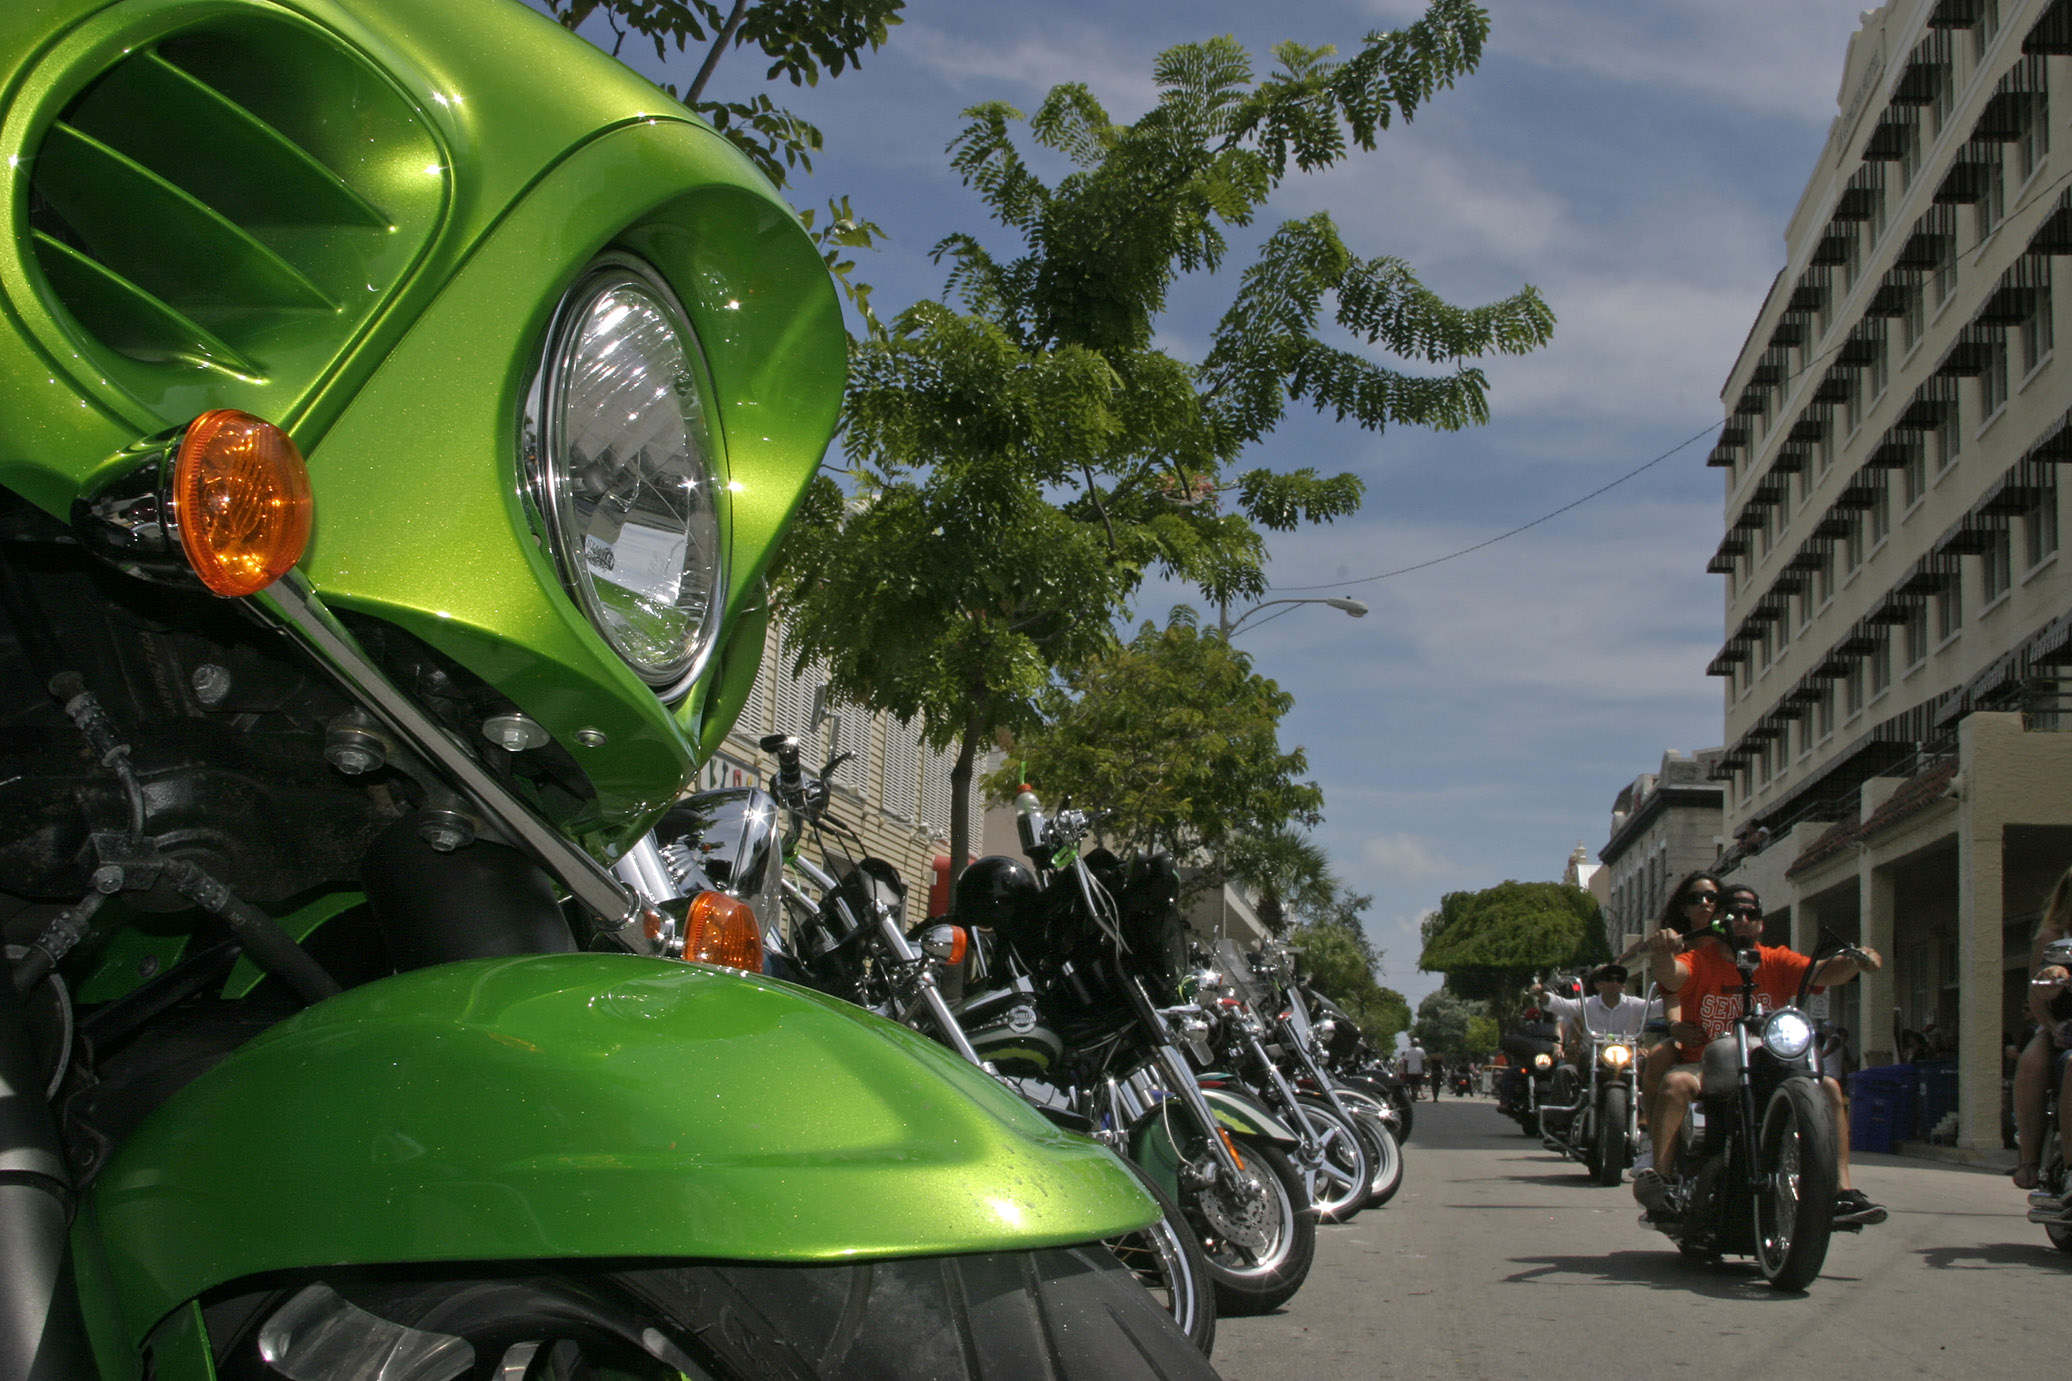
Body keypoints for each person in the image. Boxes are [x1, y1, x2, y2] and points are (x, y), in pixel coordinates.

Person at [1631, 884, 1886, 1227]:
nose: (1744, 920)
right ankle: (1663, 1185)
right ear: (1718, 919)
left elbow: (1823, 970)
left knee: (1828, 1087)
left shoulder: (1776, 959)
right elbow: (1671, 976)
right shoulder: (1697, 960)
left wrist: (1857, 958)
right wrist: (1662, 952)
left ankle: (1841, 1191)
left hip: (1771, 1064)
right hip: (1707, 1063)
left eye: (1752, 915)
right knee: (1676, 1082)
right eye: (1734, 913)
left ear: (1761, 925)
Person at [2011, 867, 2072, 1190]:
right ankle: (2030, 1159)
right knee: (2032, 1064)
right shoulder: (2057, 936)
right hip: (2062, 1026)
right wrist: (2052, 1025)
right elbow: (2039, 992)